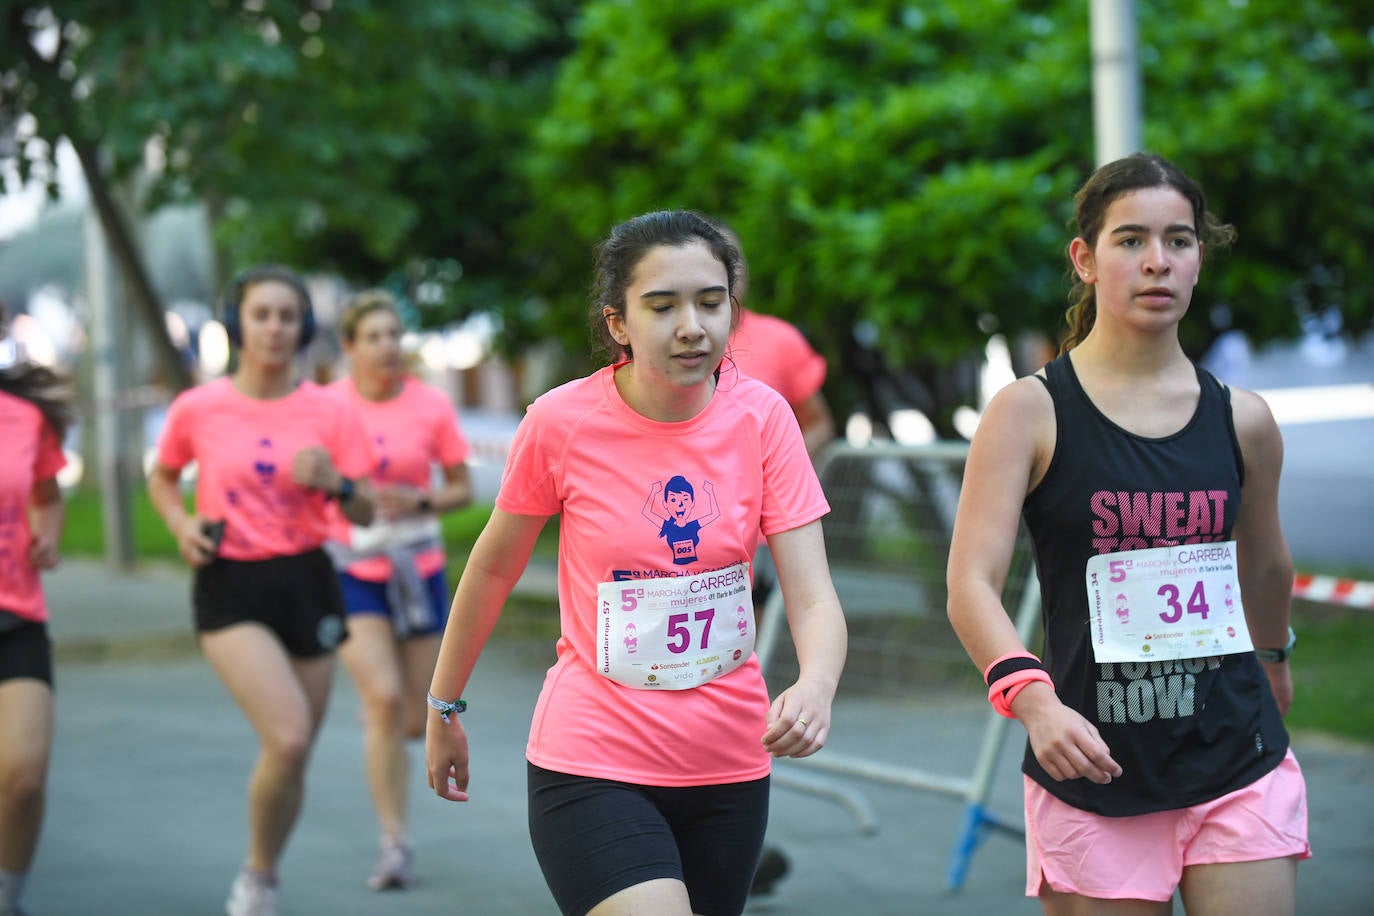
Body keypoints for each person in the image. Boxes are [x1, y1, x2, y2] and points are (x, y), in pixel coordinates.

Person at [424, 209, 848, 916]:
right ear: (617, 322)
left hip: (729, 764)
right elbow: (492, 569)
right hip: (592, 759)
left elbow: (812, 596)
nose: (693, 326)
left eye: (711, 303)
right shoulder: (560, 423)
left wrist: (816, 685)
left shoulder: (764, 418)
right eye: (663, 306)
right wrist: (443, 704)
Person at [946, 153, 1309, 915]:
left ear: (1199, 258)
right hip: (1095, 767)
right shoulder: (1030, 412)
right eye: (1131, 240)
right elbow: (970, 582)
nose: (1157, 262)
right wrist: (1034, 702)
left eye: (1178, 241)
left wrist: (1273, 656)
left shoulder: (1243, 419)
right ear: (1085, 258)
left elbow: (1266, 561)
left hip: (1236, 755)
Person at [148, 265, 376, 916]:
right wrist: (181, 524)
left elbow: (362, 513)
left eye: (287, 316)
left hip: (308, 578)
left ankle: (265, 871)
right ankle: (255, 879)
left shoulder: (330, 408)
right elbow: (163, 478)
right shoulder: (199, 407)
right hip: (231, 581)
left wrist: (335, 481)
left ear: (303, 327)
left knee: (293, 756)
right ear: (236, 324)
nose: (275, 328)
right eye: (261, 315)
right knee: (290, 738)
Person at [324, 289, 473, 890]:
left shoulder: (430, 405)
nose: (389, 346)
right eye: (375, 336)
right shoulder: (328, 408)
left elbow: (462, 487)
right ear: (350, 348)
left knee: (415, 717)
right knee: (383, 701)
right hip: (352, 569)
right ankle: (395, 843)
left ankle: (394, 718)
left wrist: (425, 499)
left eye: (395, 334)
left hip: (420, 568)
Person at [714, 222, 838, 898]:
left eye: (733, 265)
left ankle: (735, 831)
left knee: (738, 678)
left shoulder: (779, 341)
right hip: (670, 558)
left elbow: (817, 418)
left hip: (753, 549)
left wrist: (779, 473)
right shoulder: (661, 346)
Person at [0, 299, 72, 916]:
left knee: (22, 778)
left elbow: (47, 494)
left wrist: (47, 530)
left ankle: (8, 897)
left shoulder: (24, 418)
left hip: (15, 617)